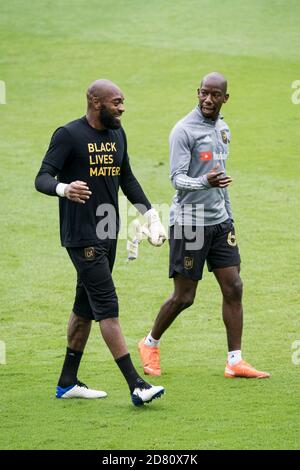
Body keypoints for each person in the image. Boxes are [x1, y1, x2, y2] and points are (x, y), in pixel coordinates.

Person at [35, 79, 167, 406]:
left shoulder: (117, 134)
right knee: (108, 307)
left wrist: (151, 216)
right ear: (96, 102)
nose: (122, 108)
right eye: (116, 102)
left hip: (109, 234)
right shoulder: (68, 135)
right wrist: (64, 189)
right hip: (82, 237)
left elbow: (127, 179)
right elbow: (42, 177)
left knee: (84, 309)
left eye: (122, 102)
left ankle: (67, 382)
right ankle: (136, 384)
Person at [138, 72, 270, 379]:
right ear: (197, 93)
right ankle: (149, 344)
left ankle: (234, 361)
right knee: (185, 297)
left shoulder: (223, 129)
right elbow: (177, 179)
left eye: (215, 95)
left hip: (219, 223)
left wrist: (228, 216)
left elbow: (221, 181)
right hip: (189, 225)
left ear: (225, 98)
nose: (208, 100)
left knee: (234, 286)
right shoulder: (183, 131)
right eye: (204, 94)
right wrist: (203, 181)